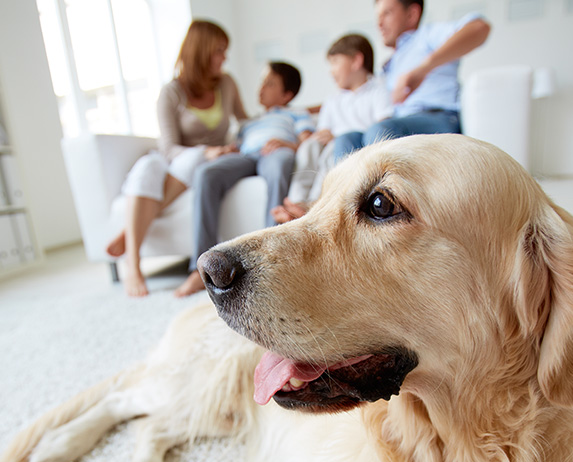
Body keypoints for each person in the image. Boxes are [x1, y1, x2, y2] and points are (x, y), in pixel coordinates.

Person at [106, 20, 247, 297]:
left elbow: (245, 121)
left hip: (207, 162)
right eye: (219, 50)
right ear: (202, 51)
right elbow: (168, 147)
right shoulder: (171, 92)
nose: (224, 57)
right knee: (147, 166)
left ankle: (129, 233)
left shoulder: (227, 84)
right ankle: (132, 264)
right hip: (178, 159)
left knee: (197, 162)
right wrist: (206, 151)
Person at [174, 61, 315, 297]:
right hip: (246, 156)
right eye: (262, 81)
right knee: (206, 173)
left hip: (275, 152)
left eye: (270, 83)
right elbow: (238, 145)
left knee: (281, 163)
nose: (261, 88)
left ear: (287, 94)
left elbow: (308, 140)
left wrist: (288, 144)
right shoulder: (249, 123)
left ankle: (270, 259)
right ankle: (198, 269)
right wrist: (229, 150)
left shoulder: (296, 113)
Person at [334, 0, 490, 158]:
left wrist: (423, 69)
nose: (379, 24)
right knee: (346, 140)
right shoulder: (390, 64)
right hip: (398, 124)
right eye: (378, 16)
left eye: (387, 13)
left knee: (380, 131)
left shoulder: (426, 37)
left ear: (411, 14)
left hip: (437, 118)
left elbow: (479, 27)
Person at [272, 33, 392, 224]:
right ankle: (296, 201)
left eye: (335, 62)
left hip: (350, 147)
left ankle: (315, 203)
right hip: (328, 145)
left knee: (331, 150)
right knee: (310, 147)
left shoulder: (379, 91)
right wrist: (319, 136)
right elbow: (322, 132)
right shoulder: (333, 100)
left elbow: (382, 128)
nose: (331, 71)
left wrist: (334, 137)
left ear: (356, 61)